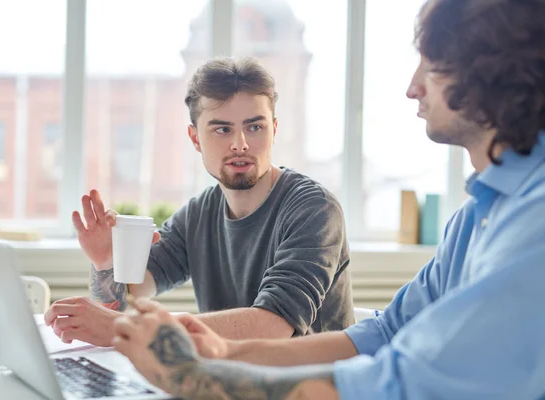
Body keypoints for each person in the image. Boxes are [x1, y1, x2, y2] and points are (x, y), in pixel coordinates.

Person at [109, 0, 545, 399]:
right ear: (196, 137)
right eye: (221, 128)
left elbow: (406, 383)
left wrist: (192, 375)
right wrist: (222, 352)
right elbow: (387, 333)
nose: (413, 88)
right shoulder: (475, 217)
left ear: (495, 75)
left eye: (433, 66)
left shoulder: (534, 218)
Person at [45, 57, 355, 347]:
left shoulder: (314, 209)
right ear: (195, 139)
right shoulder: (198, 214)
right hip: (227, 382)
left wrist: (124, 327)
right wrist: (106, 263)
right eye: (222, 129)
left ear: (273, 130)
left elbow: (272, 326)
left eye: (255, 127)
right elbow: (126, 298)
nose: (240, 144)